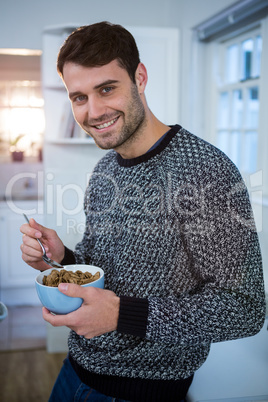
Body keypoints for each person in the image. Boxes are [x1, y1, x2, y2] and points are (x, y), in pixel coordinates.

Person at [20, 21, 266, 402]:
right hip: (74, 372)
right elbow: (103, 267)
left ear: (140, 77)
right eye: (79, 97)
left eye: (106, 88)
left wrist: (122, 316)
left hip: (143, 392)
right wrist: (63, 258)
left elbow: (245, 309)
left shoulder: (204, 171)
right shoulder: (104, 169)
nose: (94, 111)